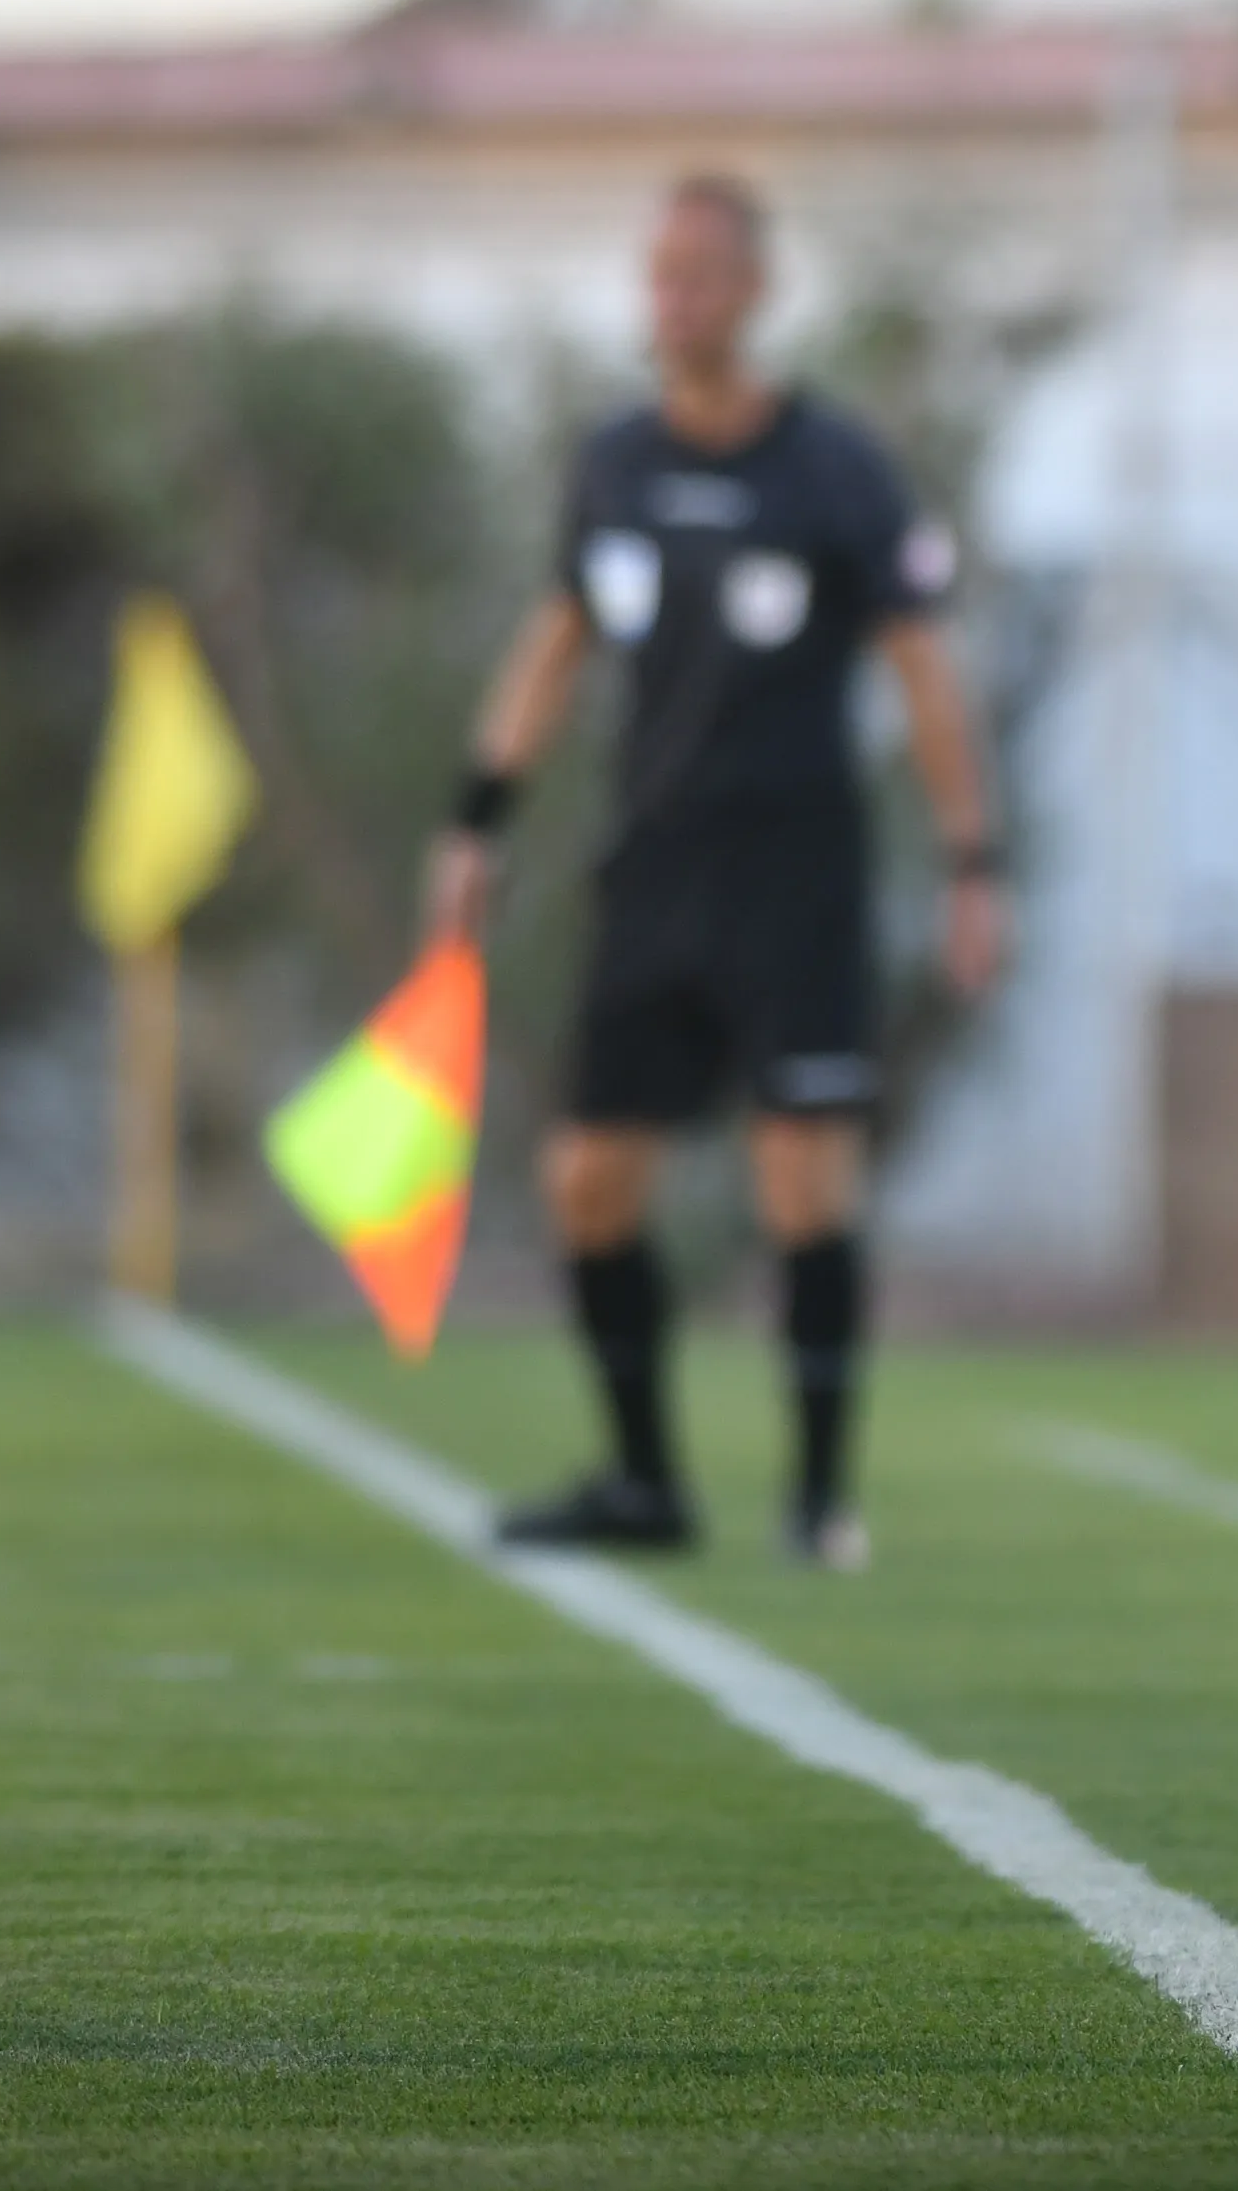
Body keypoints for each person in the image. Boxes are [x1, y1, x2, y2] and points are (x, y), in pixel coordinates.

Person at [427, 173, 1004, 1568]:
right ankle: (644, 1484)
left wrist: (973, 865)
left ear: (752, 293)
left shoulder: (835, 472)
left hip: (795, 882)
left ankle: (819, 1503)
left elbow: (924, 677)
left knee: (803, 1180)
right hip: (652, 878)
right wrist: (476, 821)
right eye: (658, 275)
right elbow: (554, 643)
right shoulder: (613, 465)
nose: (672, 300)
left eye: (698, 275)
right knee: (586, 1181)